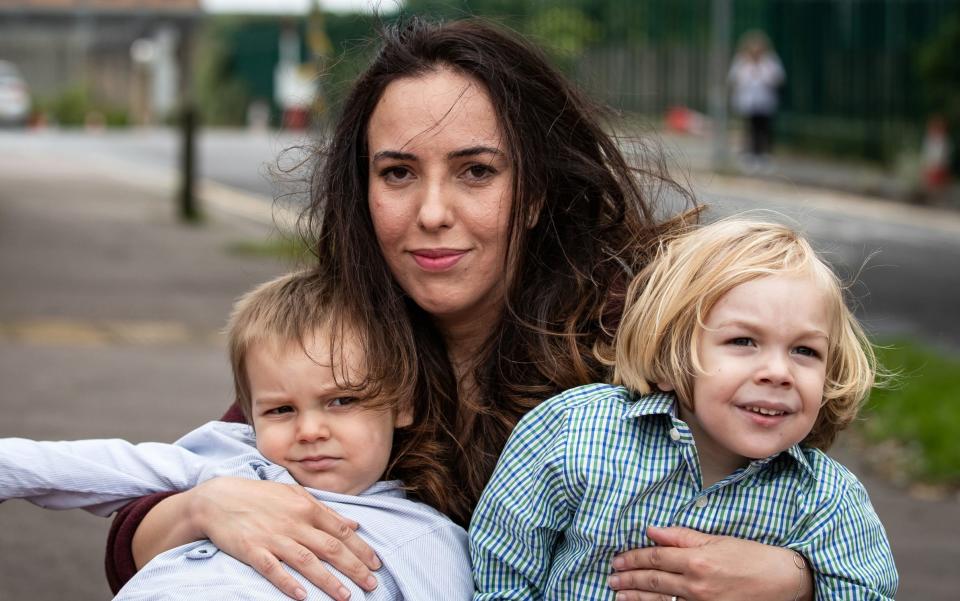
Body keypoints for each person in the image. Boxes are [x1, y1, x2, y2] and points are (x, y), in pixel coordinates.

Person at [108, 18, 818, 601]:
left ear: (535, 191)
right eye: (398, 173)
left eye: (476, 171)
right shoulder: (342, 331)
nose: (433, 213)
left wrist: (797, 579)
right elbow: (131, 537)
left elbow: (807, 501)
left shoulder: (645, 338)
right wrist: (206, 508)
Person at [471, 218, 898, 600]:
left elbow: (869, 590)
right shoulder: (576, 435)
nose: (778, 371)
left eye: (805, 350)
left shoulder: (826, 501)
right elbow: (501, 573)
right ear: (670, 358)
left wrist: (799, 587)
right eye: (743, 341)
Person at [0, 271, 473, 600]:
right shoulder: (233, 462)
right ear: (249, 416)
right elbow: (106, 467)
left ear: (403, 404)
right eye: (281, 410)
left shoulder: (426, 538)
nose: (309, 430)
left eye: (342, 401)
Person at [728, 30, 785, 166]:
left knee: (764, 128)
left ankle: (765, 154)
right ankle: (749, 154)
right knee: (749, 128)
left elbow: (778, 78)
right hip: (748, 102)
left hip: (765, 102)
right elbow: (733, 78)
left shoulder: (770, 61)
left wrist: (762, 73)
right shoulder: (741, 61)